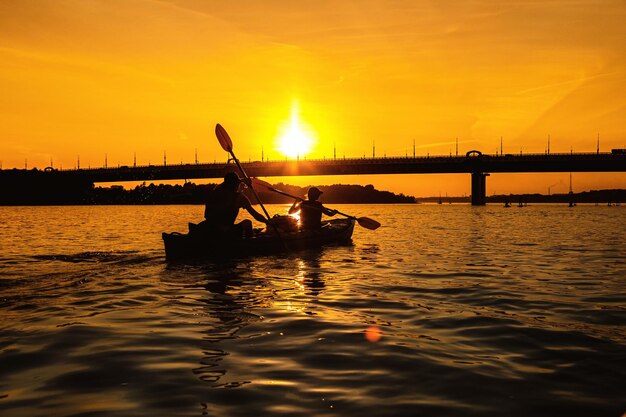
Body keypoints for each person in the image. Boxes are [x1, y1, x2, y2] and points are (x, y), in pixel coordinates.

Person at [202, 172, 268, 238]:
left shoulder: (214, 193)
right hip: (225, 232)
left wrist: (241, 180)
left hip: (210, 228)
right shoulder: (239, 198)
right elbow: (255, 215)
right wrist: (267, 222)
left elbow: (206, 216)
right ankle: (250, 243)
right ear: (236, 184)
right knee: (247, 222)